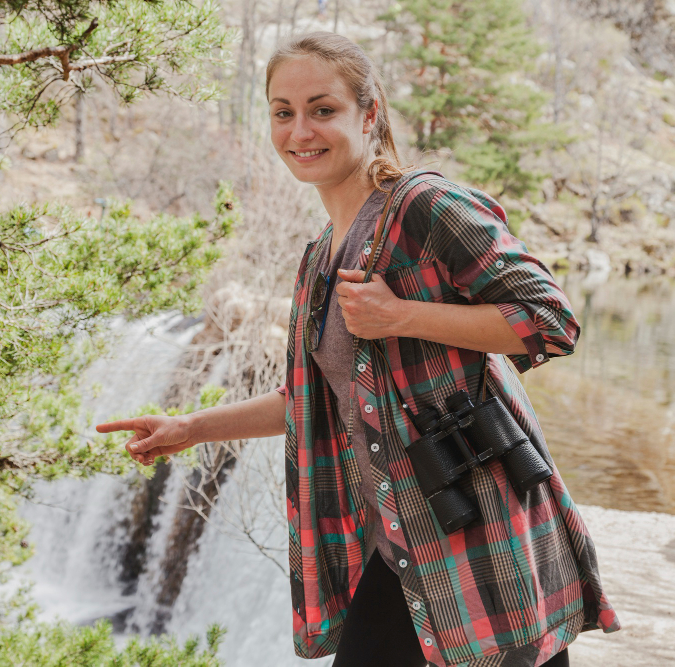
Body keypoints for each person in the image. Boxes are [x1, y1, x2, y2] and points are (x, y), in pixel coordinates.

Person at [96, 32, 620, 667]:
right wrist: (191, 427)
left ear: (369, 114)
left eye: (323, 109)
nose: (300, 131)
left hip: (482, 547)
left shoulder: (426, 206)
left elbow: (550, 318)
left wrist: (402, 315)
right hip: (392, 547)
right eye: (282, 112)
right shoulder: (321, 254)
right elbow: (314, 400)